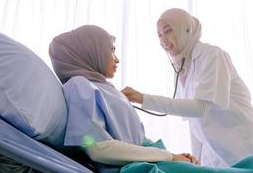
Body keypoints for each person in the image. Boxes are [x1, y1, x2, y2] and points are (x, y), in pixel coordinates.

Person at [122, 8, 253, 167]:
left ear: (186, 30)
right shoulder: (182, 67)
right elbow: (195, 123)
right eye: (159, 35)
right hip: (213, 151)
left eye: (168, 31)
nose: (163, 39)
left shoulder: (213, 55)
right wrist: (197, 163)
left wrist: (142, 98)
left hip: (240, 145)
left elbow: (199, 109)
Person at [48, 25, 199, 173]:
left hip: (151, 160)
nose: (117, 59)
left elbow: (135, 139)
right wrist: (169, 157)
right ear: (89, 52)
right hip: (136, 167)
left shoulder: (104, 88)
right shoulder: (78, 86)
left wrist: (173, 156)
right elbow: (97, 149)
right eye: (111, 50)